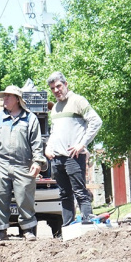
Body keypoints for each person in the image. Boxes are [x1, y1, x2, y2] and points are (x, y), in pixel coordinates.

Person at [0, 85, 47, 242]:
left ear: (17, 99)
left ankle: (28, 230)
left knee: (25, 196)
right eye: (4, 96)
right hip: (0, 163)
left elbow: (37, 143)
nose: (5, 99)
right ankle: (0, 231)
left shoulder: (30, 118)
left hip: (23, 163)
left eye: (9, 96)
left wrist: (37, 162)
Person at [44, 71, 103, 232]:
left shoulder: (78, 101)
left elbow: (96, 121)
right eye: (52, 88)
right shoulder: (55, 108)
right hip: (57, 158)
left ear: (66, 84)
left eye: (58, 86)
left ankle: (87, 228)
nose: (56, 90)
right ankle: (68, 228)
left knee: (80, 192)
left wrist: (82, 144)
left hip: (73, 157)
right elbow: (55, 132)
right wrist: (49, 147)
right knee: (64, 194)